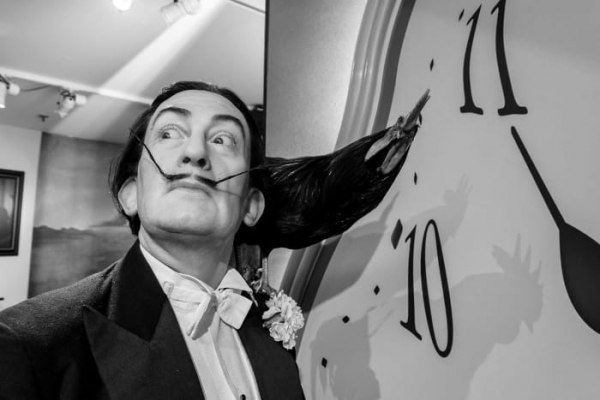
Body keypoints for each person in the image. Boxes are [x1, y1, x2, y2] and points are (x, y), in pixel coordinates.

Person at [0, 81, 426, 399]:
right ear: (130, 195)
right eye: (169, 133)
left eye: (223, 140)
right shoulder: (27, 346)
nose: (196, 153)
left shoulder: (273, 333)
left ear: (251, 206)